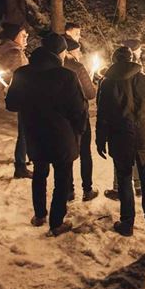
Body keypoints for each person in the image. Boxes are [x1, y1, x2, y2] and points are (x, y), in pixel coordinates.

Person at [5, 33, 87, 236]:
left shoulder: (22, 74)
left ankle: (40, 214)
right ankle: (56, 222)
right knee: (62, 178)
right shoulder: (66, 75)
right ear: (59, 53)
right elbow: (78, 109)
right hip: (62, 135)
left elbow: (11, 104)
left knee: (40, 174)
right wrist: (79, 130)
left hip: (34, 133)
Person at [96, 46, 145, 237]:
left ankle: (127, 223)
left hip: (120, 138)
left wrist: (100, 139)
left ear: (114, 62)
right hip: (144, 137)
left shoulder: (107, 83)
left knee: (125, 179)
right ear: (132, 59)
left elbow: (102, 115)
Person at [104, 40, 143, 201]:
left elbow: (104, 108)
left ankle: (119, 188)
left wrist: (102, 134)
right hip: (137, 124)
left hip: (118, 125)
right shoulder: (140, 77)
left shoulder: (108, 81)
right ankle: (139, 185)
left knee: (120, 157)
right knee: (134, 154)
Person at [63, 37, 99, 202]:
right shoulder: (77, 67)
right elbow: (90, 93)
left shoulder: (57, 67)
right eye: (77, 50)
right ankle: (87, 189)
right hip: (80, 115)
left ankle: (69, 189)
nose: (80, 53)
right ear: (70, 52)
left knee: (67, 153)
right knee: (85, 152)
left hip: (63, 117)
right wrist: (92, 85)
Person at [0, 22, 31, 179]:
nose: (26, 37)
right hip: (25, 96)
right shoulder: (14, 53)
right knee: (24, 131)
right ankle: (20, 166)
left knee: (26, 129)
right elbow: (20, 75)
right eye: (23, 35)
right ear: (14, 37)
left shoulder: (14, 51)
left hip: (22, 95)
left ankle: (25, 158)